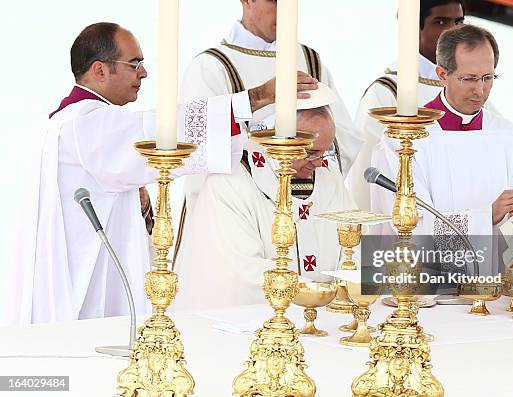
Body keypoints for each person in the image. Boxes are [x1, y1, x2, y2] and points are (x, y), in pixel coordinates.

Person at [2, 22, 316, 326]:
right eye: (134, 63)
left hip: (72, 267)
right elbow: (163, 134)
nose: (144, 72)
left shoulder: (70, 121)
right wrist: (258, 96)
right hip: (83, 279)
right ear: (100, 70)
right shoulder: (86, 121)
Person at [177, 0, 362, 234]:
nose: (285, 10)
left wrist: (312, 146)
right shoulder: (212, 66)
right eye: (275, 1)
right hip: (240, 218)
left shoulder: (310, 60)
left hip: (309, 213)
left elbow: (345, 139)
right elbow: (195, 147)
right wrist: (275, 139)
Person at [370, 25, 513, 271]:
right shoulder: (403, 140)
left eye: (488, 78)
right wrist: (487, 215)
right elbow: (410, 228)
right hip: (428, 285)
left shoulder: (509, 137)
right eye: (469, 79)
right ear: (442, 74)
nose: (480, 91)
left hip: (498, 286)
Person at [173, 93, 357, 310]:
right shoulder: (232, 178)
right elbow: (239, 271)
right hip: (254, 325)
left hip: (327, 319)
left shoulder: (328, 173)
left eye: (326, 153)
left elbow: (354, 239)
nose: (319, 163)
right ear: (280, 138)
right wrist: (314, 295)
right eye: (311, 152)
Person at [349, 0, 469, 210]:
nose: (453, 32)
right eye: (441, 22)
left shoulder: (471, 90)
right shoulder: (387, 92)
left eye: (459, 21)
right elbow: (365, 175)